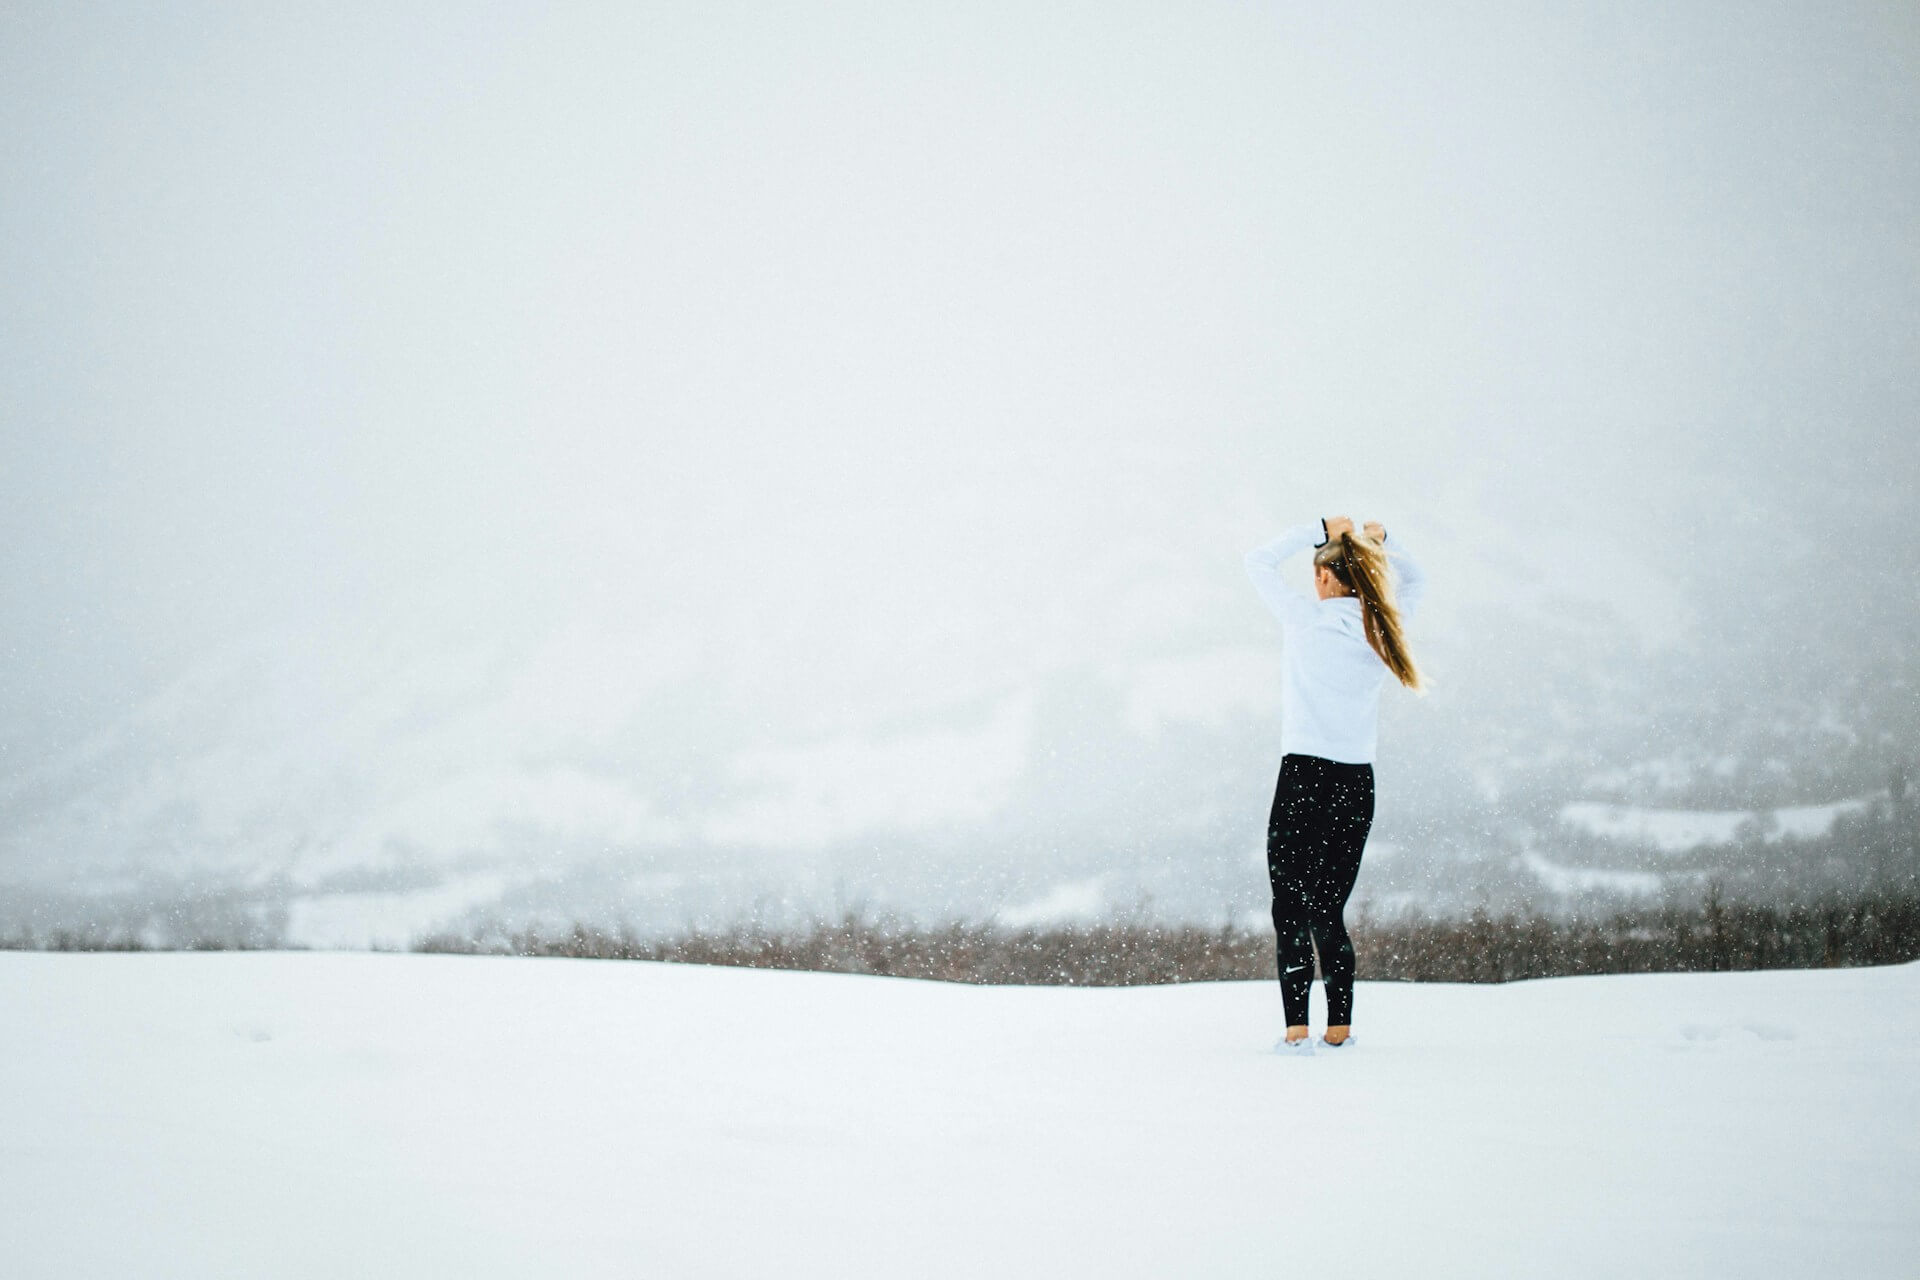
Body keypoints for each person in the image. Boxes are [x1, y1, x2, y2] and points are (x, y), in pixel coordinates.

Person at [1244, 515, 1427, 1053]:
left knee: (1290, 907)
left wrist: (1318, 527)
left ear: (1325, 580)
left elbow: (1256, 561)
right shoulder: (1381, 627)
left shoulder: (1305, 620)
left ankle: (1297, 1028)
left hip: (1302, 776)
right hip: (1354, 782)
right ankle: (1339, 1027)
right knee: (1328, 908)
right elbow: (1418, 581)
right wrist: (1382, 540)